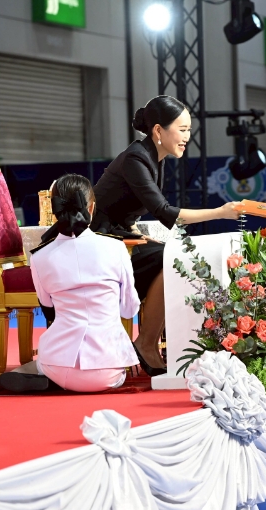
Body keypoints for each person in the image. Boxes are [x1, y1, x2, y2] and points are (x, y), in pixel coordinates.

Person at [91, 95, 240, 375]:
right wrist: (221, 212)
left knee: (174, 254)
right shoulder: (136, 158)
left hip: (120, 238)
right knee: (171, 258)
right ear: (158, 130)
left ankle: (172, 342)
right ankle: (146, 343)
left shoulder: (152, 156)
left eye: (189, 130)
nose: (187, 137)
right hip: (101, 245)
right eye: (182, 130)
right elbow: (165, 212)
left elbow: (128, 213)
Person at [0, 174, 140, 393]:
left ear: (55, 210)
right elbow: (130, 309)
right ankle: (46, 380)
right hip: (109, 368)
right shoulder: (116, 248)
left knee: (40, 365)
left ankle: (32, 377)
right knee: (112, 373)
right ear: (91, 207)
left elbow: (47, 304)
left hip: (58, 364)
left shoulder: (39, 256)